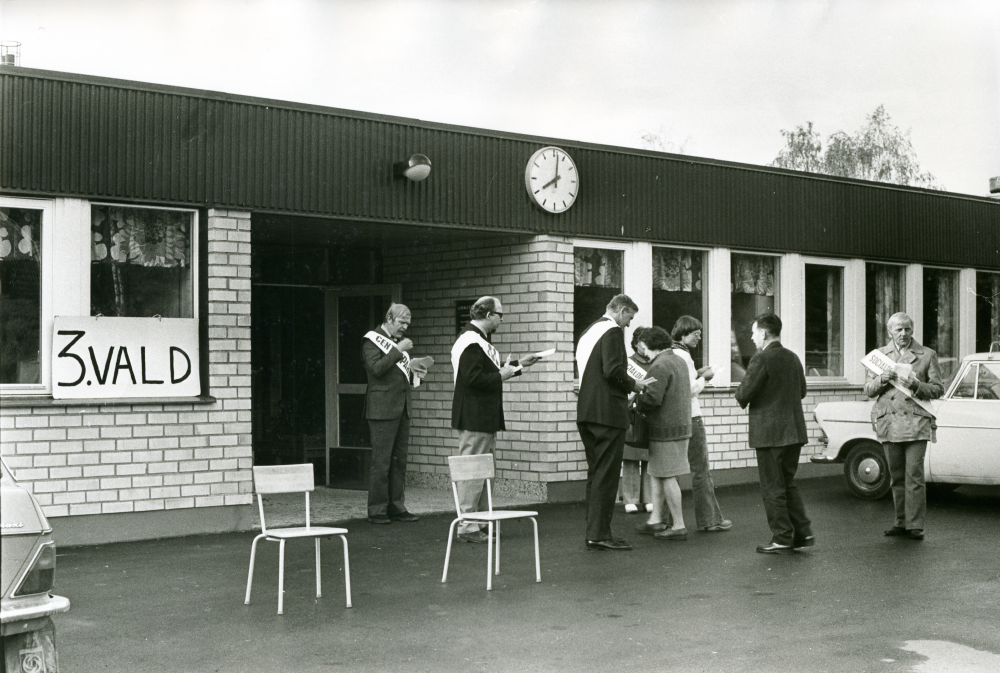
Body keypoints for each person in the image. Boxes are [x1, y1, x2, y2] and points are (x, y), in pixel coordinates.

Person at [451, 296, 539, 543]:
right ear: (489, 315)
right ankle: (468, 524)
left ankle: (479, 521)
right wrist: (503, 374)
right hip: (474, 414)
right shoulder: (470, 341)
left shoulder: (478, 340)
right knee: (473, 469)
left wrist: (519, 365)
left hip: (482, 415)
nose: (502, 319)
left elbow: (488, 371)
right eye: (500, 314)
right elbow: (472, 378)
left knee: (483, 470)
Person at [576, 294, 651, 551]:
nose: (628, 324)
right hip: (607, 413)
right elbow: (612, 370)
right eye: (629, 317)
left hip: (587, 411)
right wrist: (635, 384)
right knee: (606, 475)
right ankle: (599, 534)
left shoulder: (590, 331)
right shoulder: (612, 331)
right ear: (620, 311)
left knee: (596, 473)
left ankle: (595, 530)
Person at [734, 313, 814, 554]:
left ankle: (781, 537)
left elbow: (743, 395)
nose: (751, 336)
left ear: (763, 333)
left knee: (772, 487)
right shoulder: (793, 357)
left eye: (753, 332)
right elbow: (801, 391)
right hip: (794, 431)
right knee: (787, 484)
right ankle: (803, 532)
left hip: (770, 434)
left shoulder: (761, 359)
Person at [863, 312, 943, 541]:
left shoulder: (927, 355)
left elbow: (938, 389)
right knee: (896, 476)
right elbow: (868, 390)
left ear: (912, 330)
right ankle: (900, 522)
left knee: (914, 476)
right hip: (889, 422)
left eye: (907, 329)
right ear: (890, 332)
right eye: (898, 329)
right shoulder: (879, 356)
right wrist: (882, 379)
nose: (903, 334)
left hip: (916, 422)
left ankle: (915, 525)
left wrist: (917, 385)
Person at [362, 303, 422, 524]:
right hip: (382, 409)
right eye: (401, 322)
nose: (405, 327)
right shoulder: (371, 340)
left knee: (399, 460)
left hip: (402, 406)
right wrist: (399, 350)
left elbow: (397, 371)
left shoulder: (397, 344)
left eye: (407, 323)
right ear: (389, 318)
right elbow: (376, 368)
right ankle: (377, 510)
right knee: (382, 461)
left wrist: (415, 368)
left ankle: (396, 506)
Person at [671, 316, 732, 533]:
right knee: (701, 470)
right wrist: (706, 378)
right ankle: (709, 520)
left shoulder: (673, 353)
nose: (699, 338)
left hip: (676, 417)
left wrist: (697, 373)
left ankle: (670, 520)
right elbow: (689, 390)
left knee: (673, 471)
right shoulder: (685, 357)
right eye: (696, 334)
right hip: (692, 416)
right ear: (684, 333)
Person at [632, 327, 692, 541]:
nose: (644, 353)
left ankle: (678, 525)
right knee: (657, 473)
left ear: (650, 346)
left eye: (644, 349)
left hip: (665, 430)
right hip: (679, 427)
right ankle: (656, 520)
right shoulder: (678, 360)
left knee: (666, 476)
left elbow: (652, 398)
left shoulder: (659, 364)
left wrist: (636, 402)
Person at [620, 327, 653, 514]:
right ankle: (630, 498)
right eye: (642, 341)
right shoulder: (627, 363)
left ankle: (649, 498)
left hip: (649, 411)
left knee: (649, 457)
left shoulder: (655, 362)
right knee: (631, 456)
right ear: (635, 343)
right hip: (631, 412)